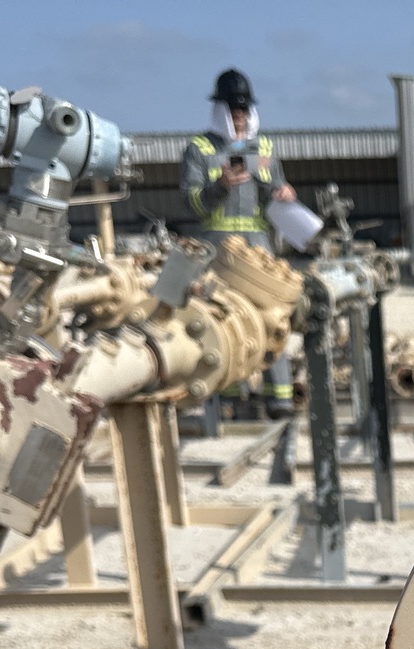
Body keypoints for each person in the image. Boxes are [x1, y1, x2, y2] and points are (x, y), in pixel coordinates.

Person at [183, 68, 298, 418]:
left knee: (272, 317)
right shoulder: (199, 149)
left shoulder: (265, 147)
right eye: (234, 111)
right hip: (217, 249)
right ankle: (231, 398)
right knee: (223, 319)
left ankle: (280, 398)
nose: (240, 117)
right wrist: (219, 187)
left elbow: (275, 192)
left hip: (258, 246)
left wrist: (285, 193)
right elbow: (193, 204)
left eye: (244, 110)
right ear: (220, 110)